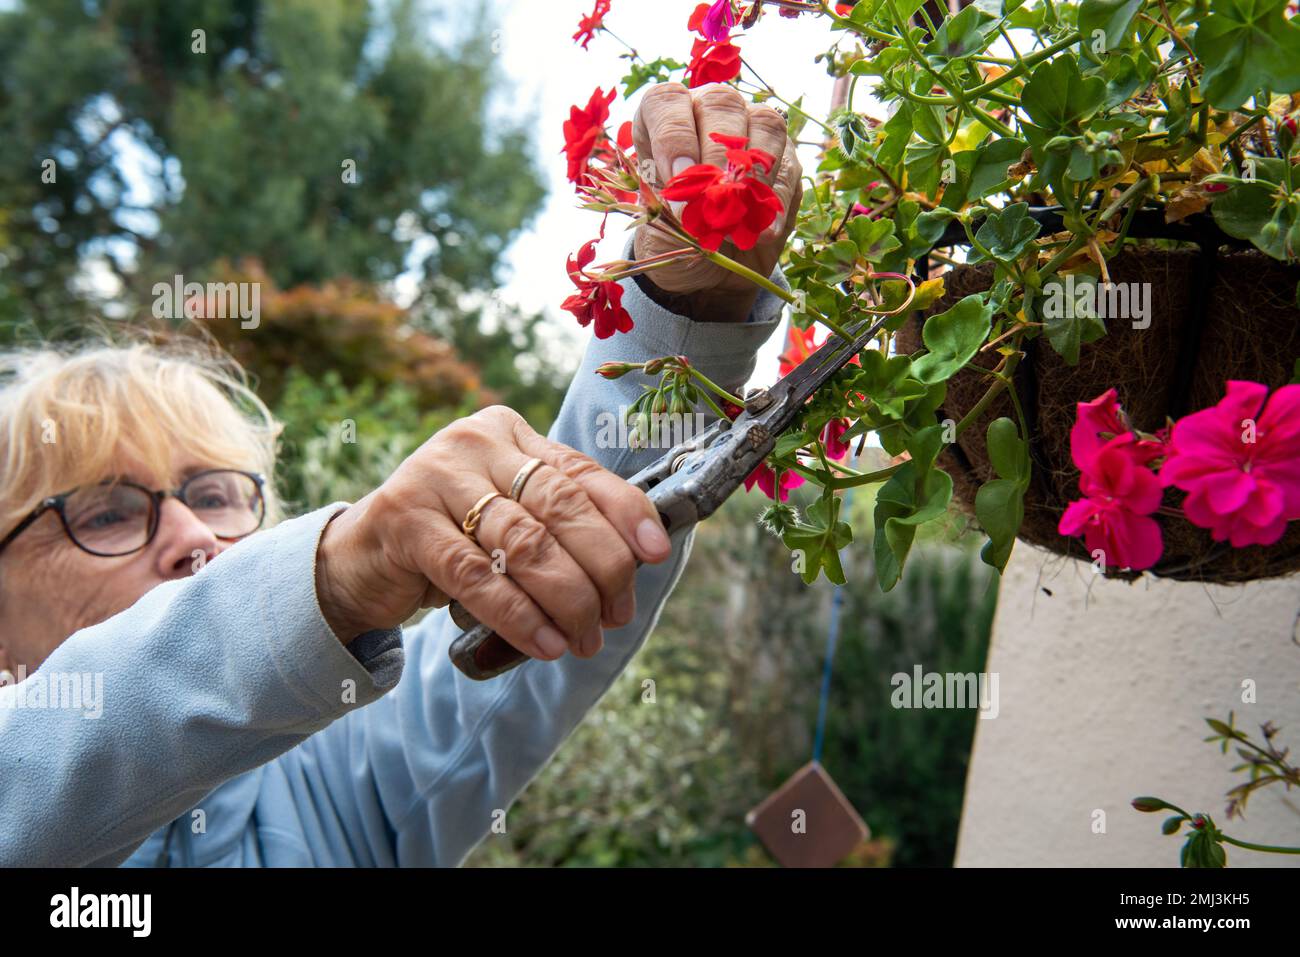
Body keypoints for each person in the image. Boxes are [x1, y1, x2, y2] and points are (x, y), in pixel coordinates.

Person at [0, 82, 801, 866]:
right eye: (105, 513)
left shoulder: (335, 787)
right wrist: (342, 572)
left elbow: (575, 548)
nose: (192, 536)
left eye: (216, 494)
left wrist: (681, 303)